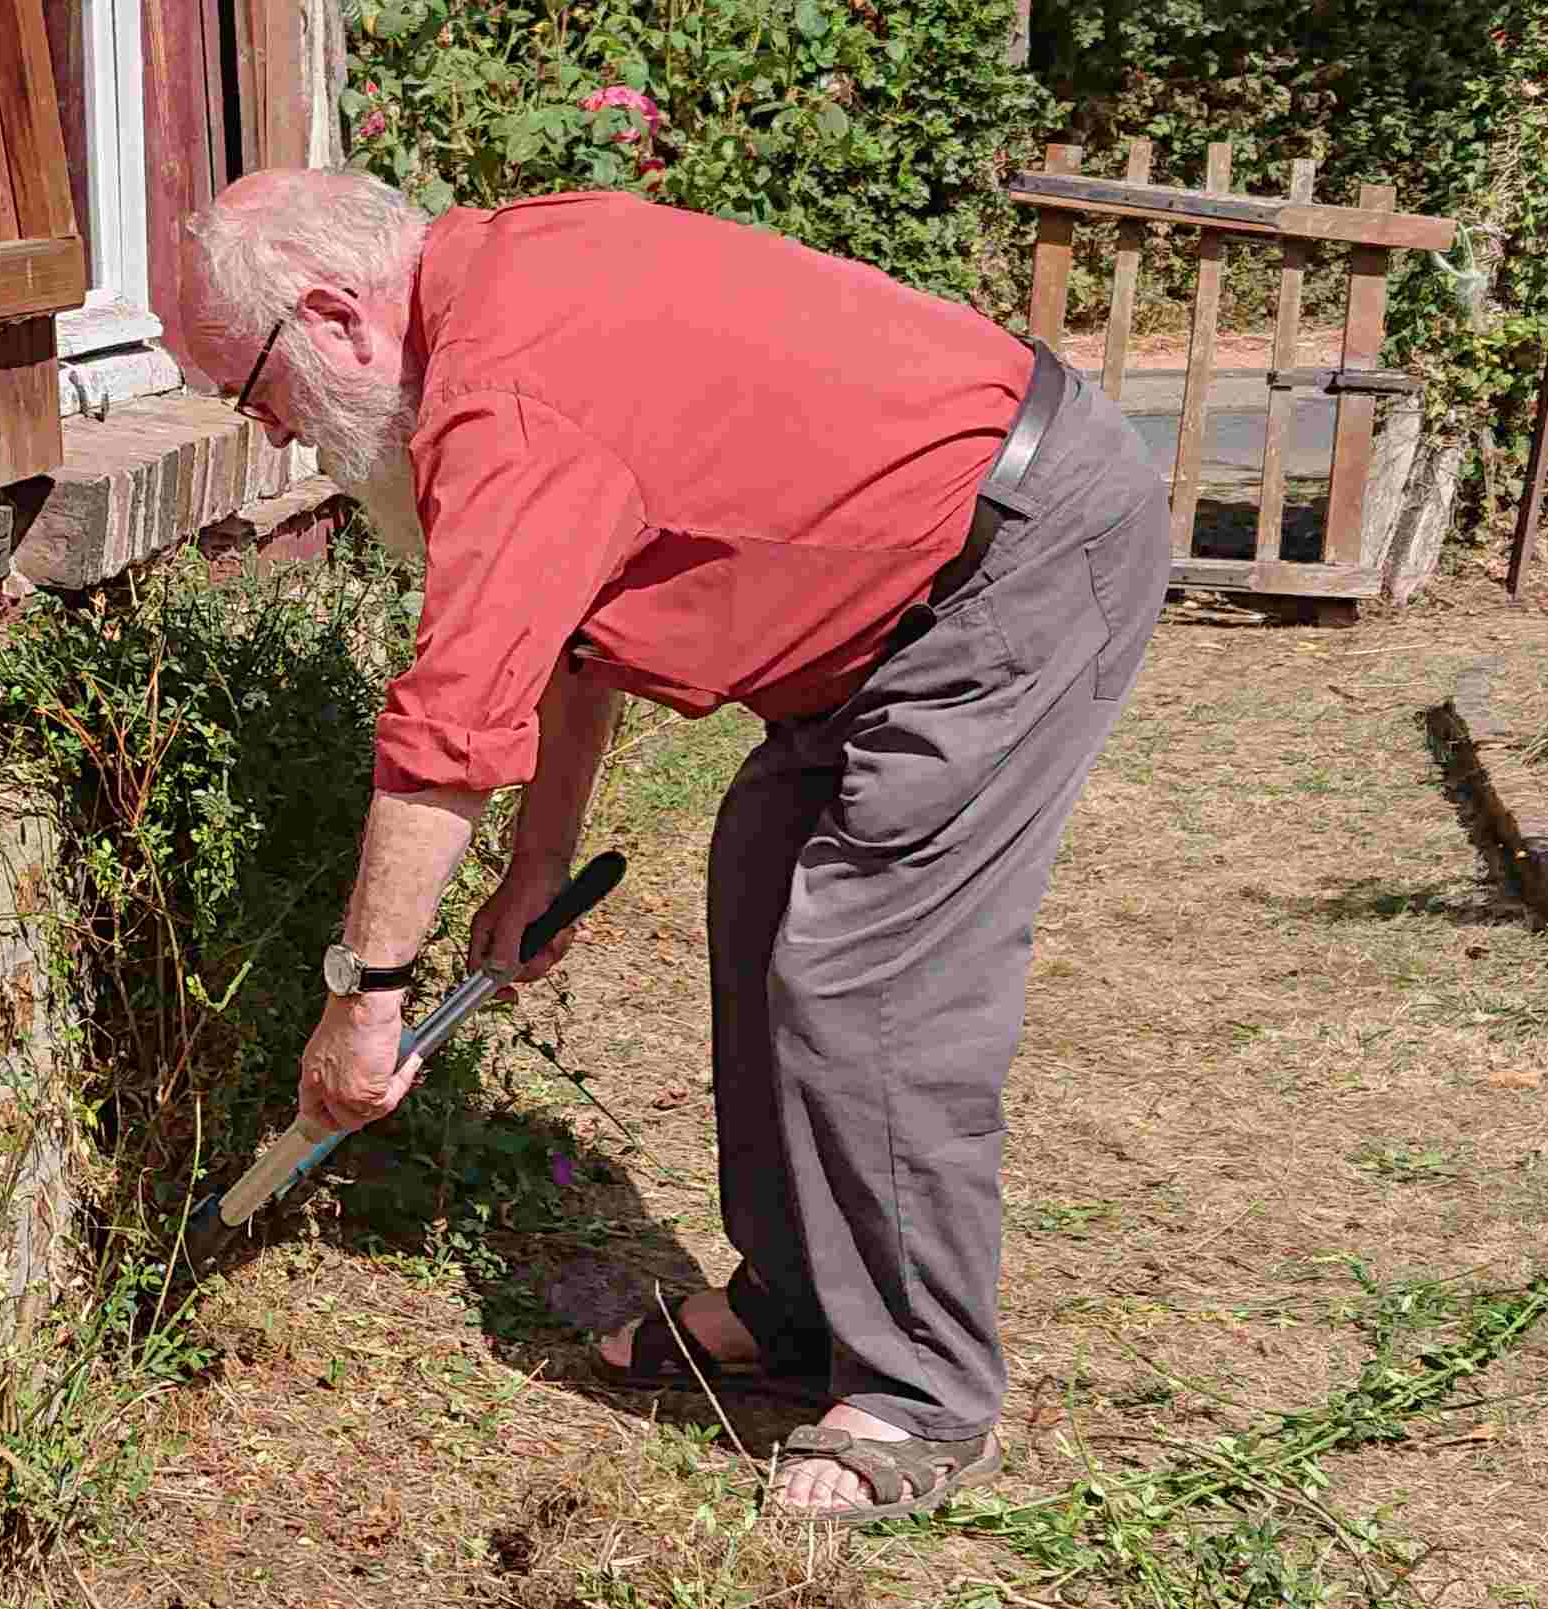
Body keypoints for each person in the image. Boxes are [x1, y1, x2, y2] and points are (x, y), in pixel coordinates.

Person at [173, 168, 1168, 1525]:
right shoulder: (499, 295)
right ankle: (801, 1310)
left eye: (257, 392)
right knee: (759, 889)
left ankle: (921, 1389)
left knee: (860, 976)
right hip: (890, 610)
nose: (285, 436)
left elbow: (448, 724)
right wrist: (539, 865)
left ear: (337, 316)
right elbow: (574, 626)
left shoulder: (507, 388)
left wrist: (366, 1001)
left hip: (1006, 563)